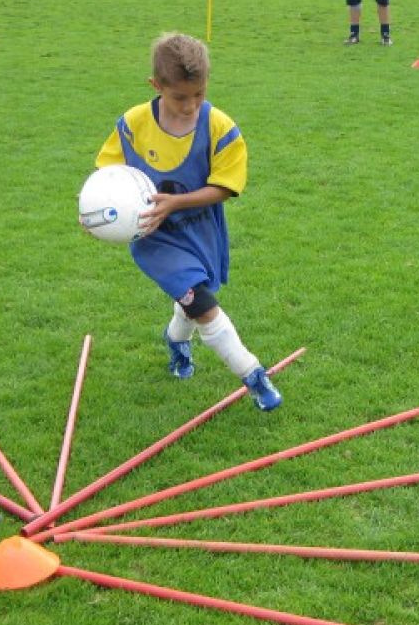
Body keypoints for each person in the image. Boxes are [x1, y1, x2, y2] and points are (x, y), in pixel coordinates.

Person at [93, 32, 283, 411]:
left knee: (192, 297)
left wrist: (176, 202)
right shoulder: (132, 125)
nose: (190, 105)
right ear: (156, 86)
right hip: (153, 235)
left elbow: (225, 188)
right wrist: (96, 216)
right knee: (201, 300)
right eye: (180, 97)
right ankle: (252, 374)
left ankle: (176, 340)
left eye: (199, 94)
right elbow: (106, 181)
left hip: (202, 227)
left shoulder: (220, 128)